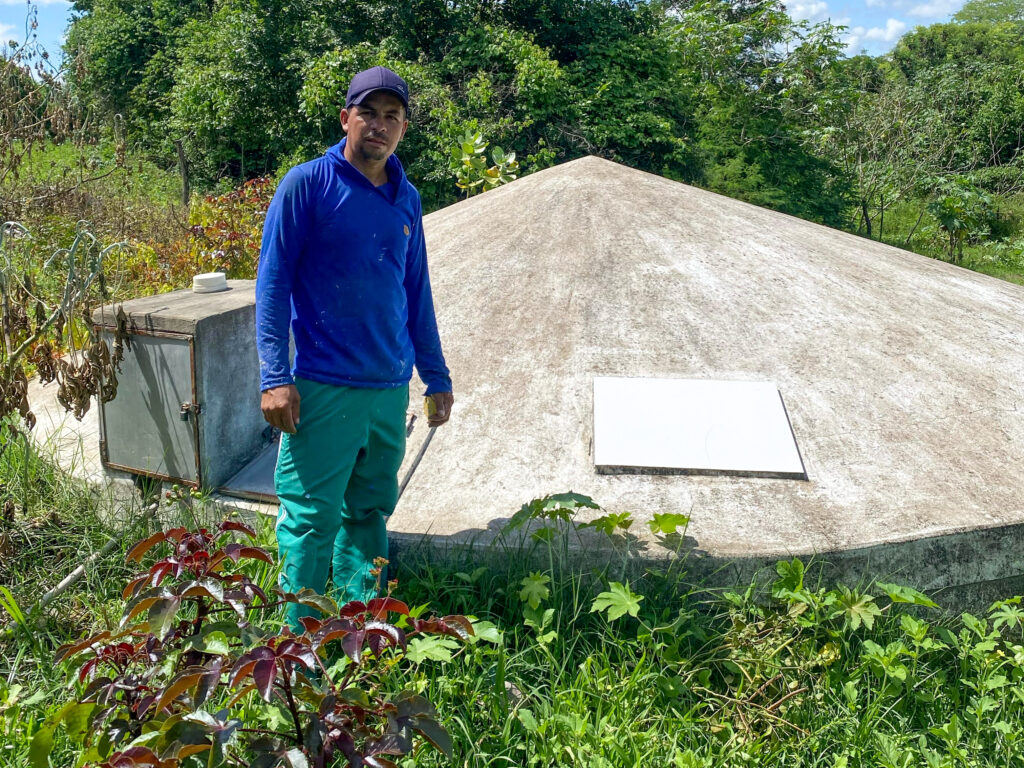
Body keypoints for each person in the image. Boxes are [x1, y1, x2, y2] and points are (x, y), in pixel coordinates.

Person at [255, 66, 454, 630]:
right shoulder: (308, 185)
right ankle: (299, 651)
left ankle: (356, 631)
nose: (380, 126)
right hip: (322, 386)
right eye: (369, 113)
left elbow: (415, 289)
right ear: (346, 118)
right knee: (311, 520)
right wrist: (274, 376)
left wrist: (434, 375)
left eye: (392, 116)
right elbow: (271, 285)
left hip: (388, 392)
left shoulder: (405, 196)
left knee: (368, 514)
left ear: (404, 128)